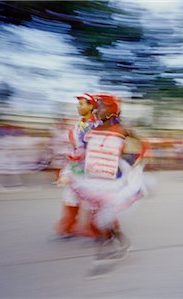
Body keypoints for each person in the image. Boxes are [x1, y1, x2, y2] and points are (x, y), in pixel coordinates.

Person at [67, 93, 148, 260]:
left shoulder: (122, 131)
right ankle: (118, 242)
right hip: (92, 180)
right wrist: (77, 159)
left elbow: (141, 146)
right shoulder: (93, 131)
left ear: (112, 110)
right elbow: (85, 151)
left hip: (112, 183)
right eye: (97, 106)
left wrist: (132, 162)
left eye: (101, 106)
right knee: (102, 217)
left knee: (104, 217)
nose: (97, 109)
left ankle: (104, 252)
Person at [54, 93, 101, 239]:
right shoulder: (74, 128)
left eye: (82, 104)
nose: (78, 107)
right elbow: (72, 149)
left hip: (94, 169)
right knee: (70, 197)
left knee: (95, 201)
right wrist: (65, 172)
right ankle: (68, 228)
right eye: (78, 104)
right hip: (76, 168)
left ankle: (98, 230)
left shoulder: (100, 126)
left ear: (91, 106)